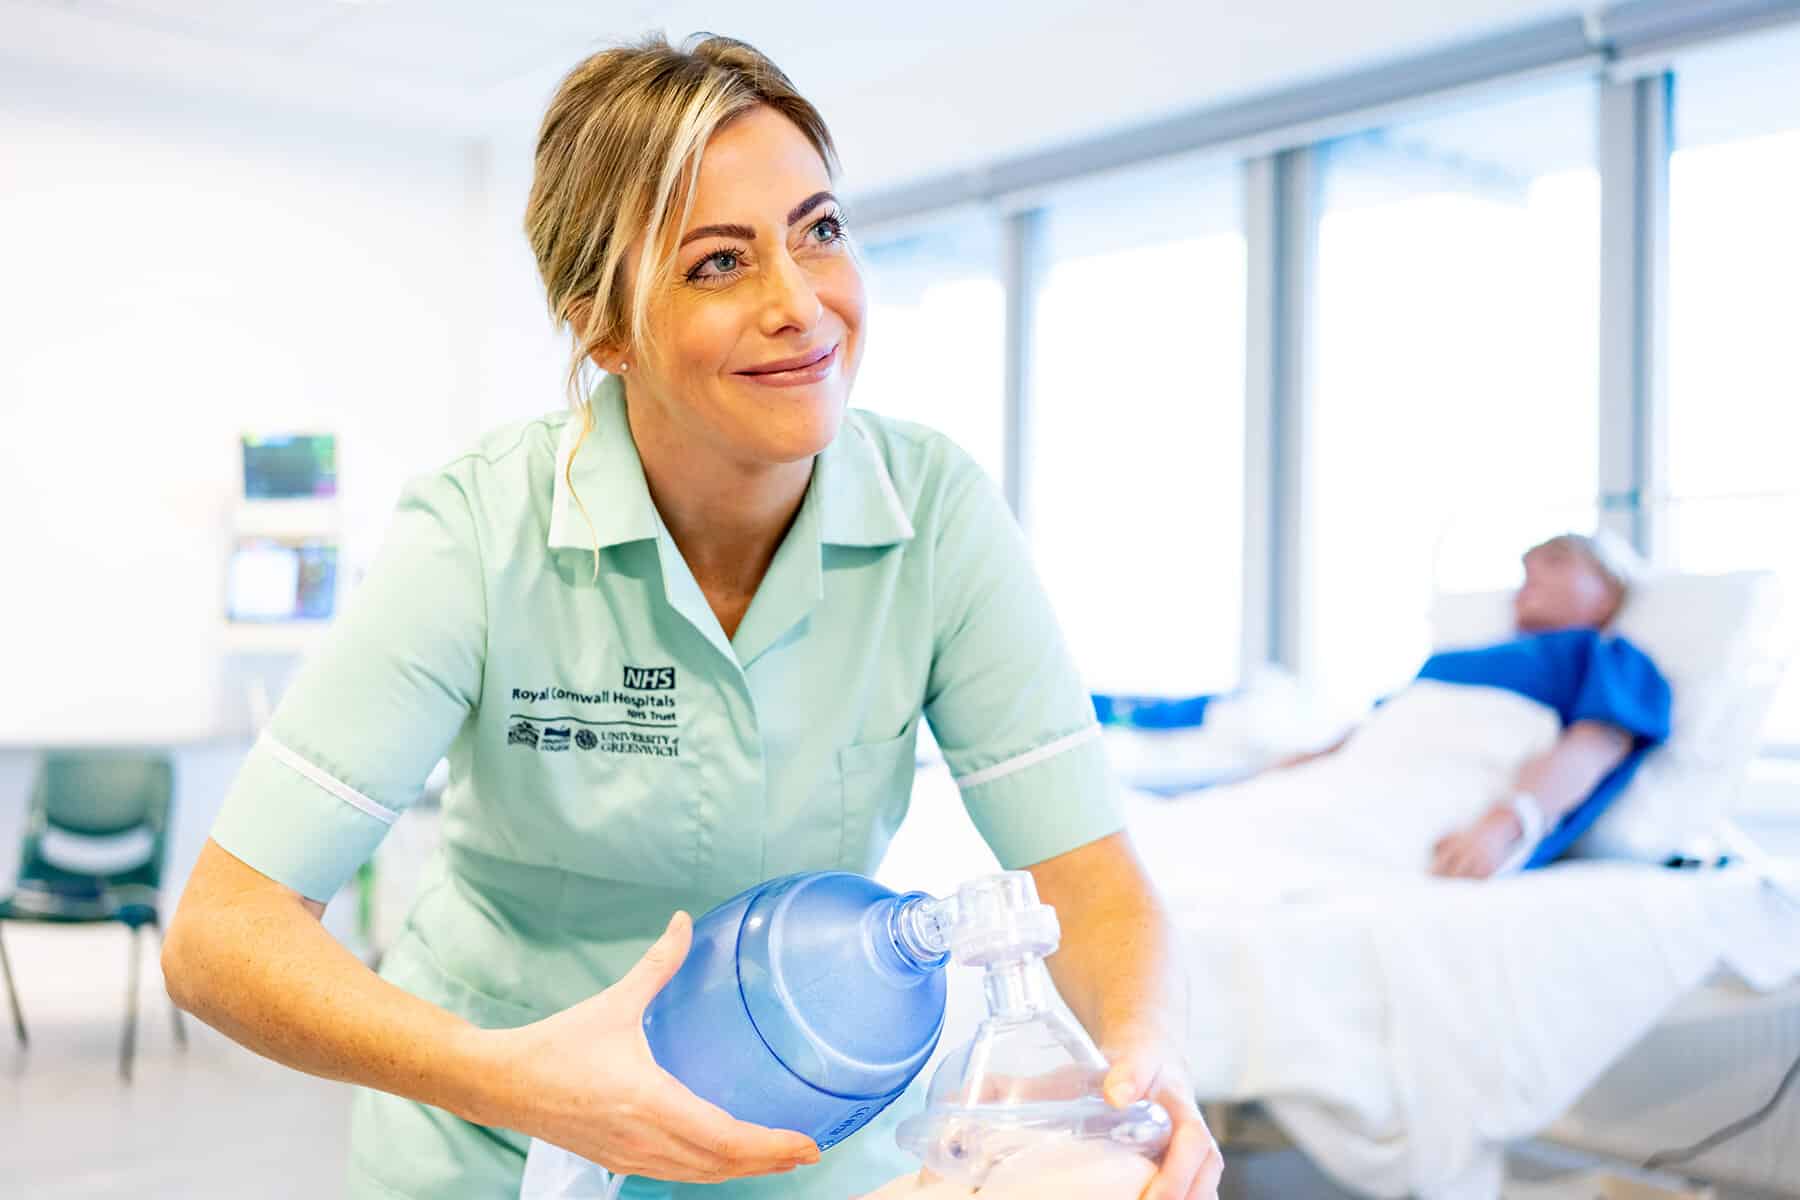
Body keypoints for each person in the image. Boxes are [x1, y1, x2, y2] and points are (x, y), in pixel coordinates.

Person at [160, 34, 1222, 1200]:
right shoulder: (480, 531)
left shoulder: (937, 515)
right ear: (603, 331)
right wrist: (508, 1080)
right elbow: (222, 933)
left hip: (807, 1154)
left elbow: (1089, 878)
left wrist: (1144, 1060)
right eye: (719, 263)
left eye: (819, 230)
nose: (800, 303)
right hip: (501, 1147)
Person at [1099, 534, 1673, 879]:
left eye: (1554, 563)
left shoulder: (1604, 657)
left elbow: (1590, 750)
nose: (1529, 579)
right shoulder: (1452, 659)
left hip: (1423, 799)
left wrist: (1506, 824)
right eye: (1525, 569)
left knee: (1234, 860)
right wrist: (1270, 774)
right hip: (1348, 777)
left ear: (1608, 589)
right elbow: (1376, 732)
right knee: (1194, 827)